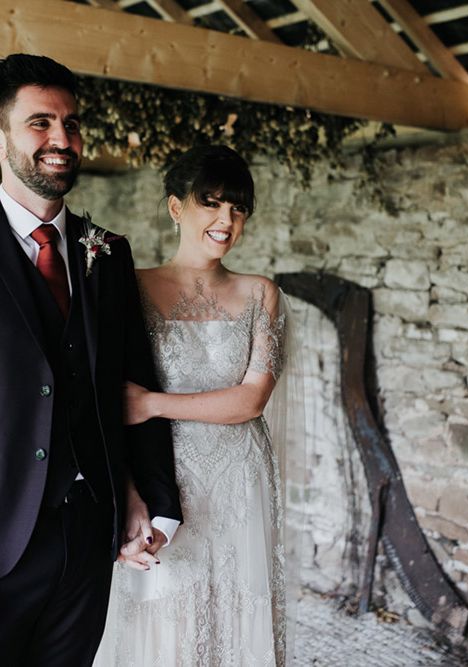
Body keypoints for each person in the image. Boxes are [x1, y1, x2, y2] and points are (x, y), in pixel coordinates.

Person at [0, 53, 183, 666]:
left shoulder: (107, 252)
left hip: (87, 530)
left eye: (71, 124)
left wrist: (151, 499)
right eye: (40, 122)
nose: (61, 139)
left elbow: (135, 380)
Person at [95, 145, 294, 666]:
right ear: (176, 207)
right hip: (166, 476)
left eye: (238, 207)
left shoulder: (261, 294)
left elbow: (251, 400)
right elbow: (106, 405)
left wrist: (152, 403)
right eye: (210, 203)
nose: (226, 219)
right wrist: (131, 492)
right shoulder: (129, 287)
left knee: (238, 610)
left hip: (239, 480)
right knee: (167, 615)